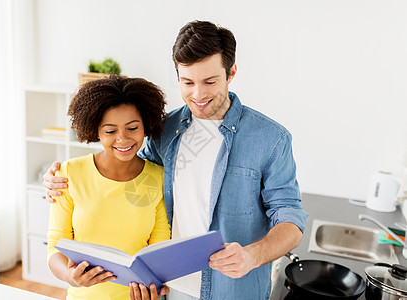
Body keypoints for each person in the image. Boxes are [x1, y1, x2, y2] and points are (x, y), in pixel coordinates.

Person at [44, 20, 308, 300]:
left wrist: (252, 256)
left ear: (231, 73)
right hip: (169, 289)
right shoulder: (165, 130)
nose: (198, 94)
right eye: (187, 82)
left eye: (209, 81)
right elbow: (129, 175)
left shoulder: (270, 138)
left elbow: (290, 218)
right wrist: (57, 181)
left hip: (232, 290)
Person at [46, 76, 171, 300]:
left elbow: (158, 250)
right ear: (96, 130)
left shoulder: (158, 178)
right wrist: (69, 275)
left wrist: (154, 286)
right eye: (110, 131)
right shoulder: (68, 174)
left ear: (145, 125)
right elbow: (55, 246)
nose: (122, 139)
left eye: (132, 128)